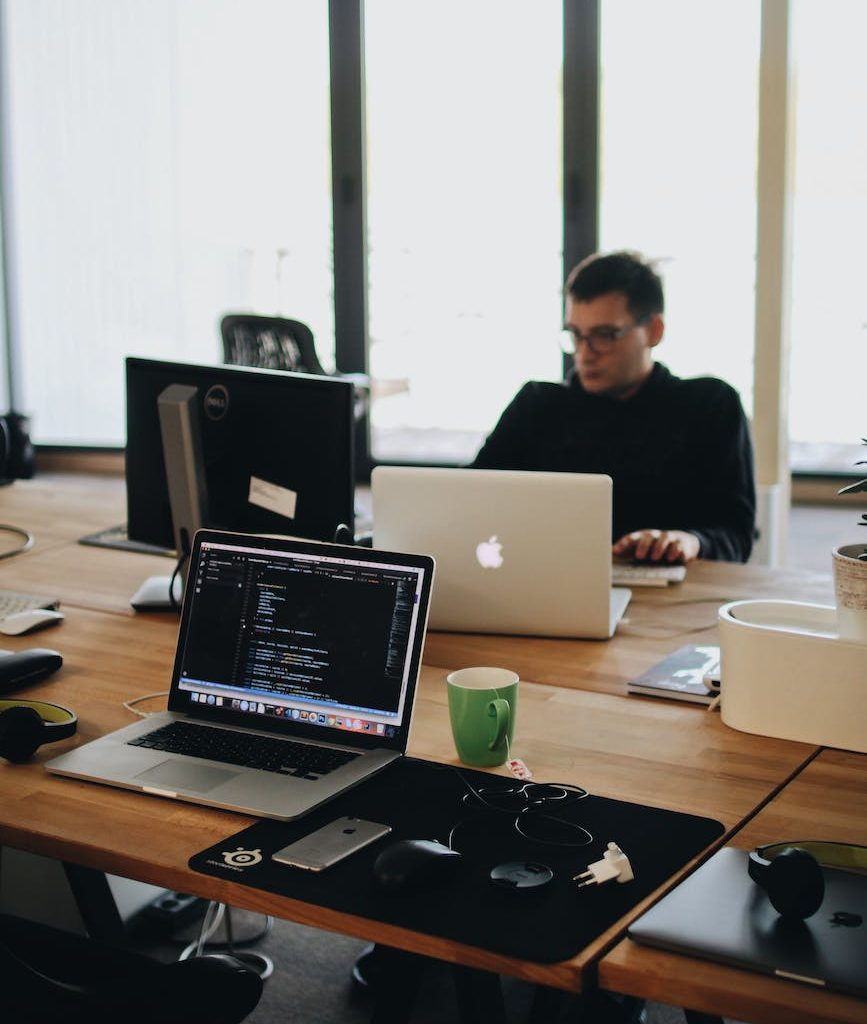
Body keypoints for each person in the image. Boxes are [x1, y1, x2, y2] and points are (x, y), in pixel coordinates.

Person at [470, 250, 756, 563]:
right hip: (548, 586)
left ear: (654, 331)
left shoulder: (710, 406)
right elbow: (469, 499)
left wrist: (690, 541)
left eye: (604, 335)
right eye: (576, 335)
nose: (585, 353)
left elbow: (736, 535)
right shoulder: (536, 406)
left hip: (673, 598)